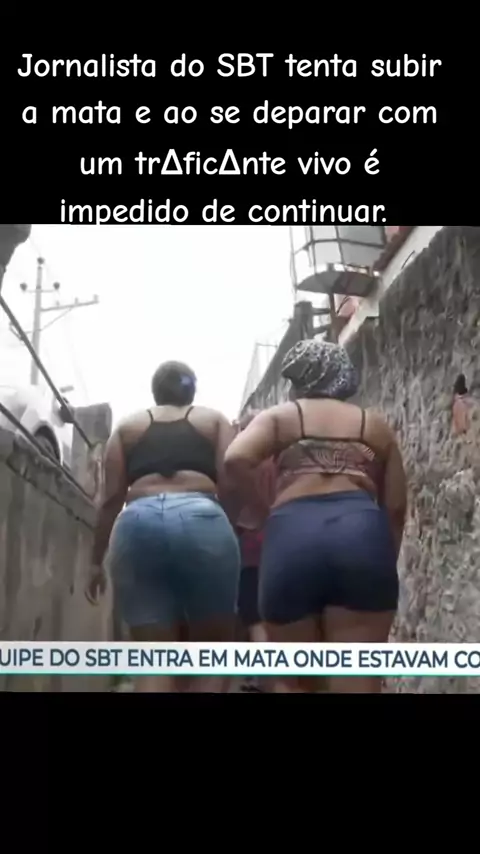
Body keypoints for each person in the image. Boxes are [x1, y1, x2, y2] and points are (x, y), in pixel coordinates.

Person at [224, 339, 407, 694]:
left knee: (297, 681)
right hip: (360, 533)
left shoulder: (279, 418)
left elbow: (235, 458)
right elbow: (396, 508)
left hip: (292, 534)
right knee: (357, 677)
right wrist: (384, 557)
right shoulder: (374, 426)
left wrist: (264, 510)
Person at [85, 360, 241, 693]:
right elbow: (231, 484)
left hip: (137, 521)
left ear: (155, 391)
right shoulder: (214, 420)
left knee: (153, 658)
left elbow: (110, 500)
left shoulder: (127, 428)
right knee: (213, 654)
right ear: (192, 390)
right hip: (202, 517)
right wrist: (230, 532)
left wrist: (95, 562)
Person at [234, 410, 277, 692]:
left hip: (249, 547)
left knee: (254, 620)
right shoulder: (281, 462)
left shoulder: (237, 463)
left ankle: (264, 680)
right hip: (280, 544)